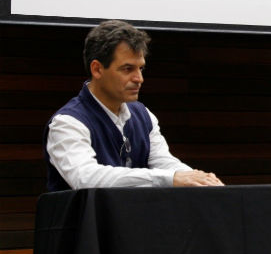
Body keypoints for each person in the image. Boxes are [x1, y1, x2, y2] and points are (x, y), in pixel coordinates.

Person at [43, 20, 223, 191]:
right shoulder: (67, 123)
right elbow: (87, 178)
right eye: (128, 69)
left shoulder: (143, 115)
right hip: (83, 224)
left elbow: (165, 163)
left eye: (141, 68)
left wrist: (201, 181)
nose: (139, 79)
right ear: (97, 69)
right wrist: (170, 178)